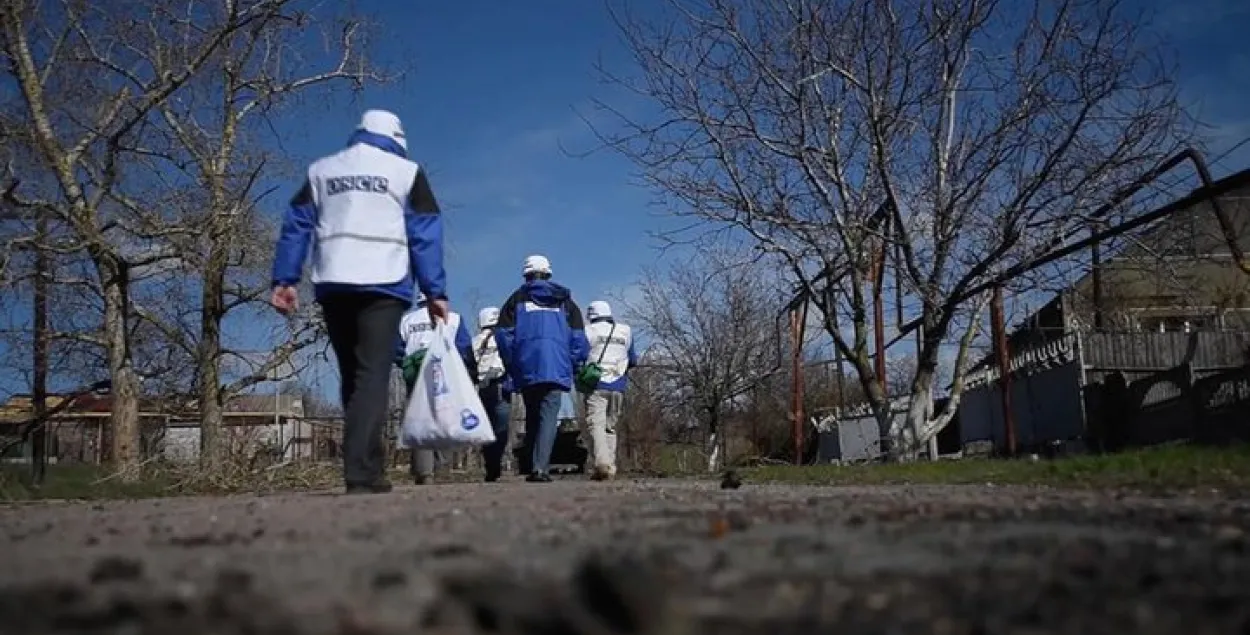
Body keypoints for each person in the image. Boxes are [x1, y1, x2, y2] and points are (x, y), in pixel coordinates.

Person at [270, 109, 449, 495]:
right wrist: (435, 292)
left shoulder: (322, 170)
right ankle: (361, 472)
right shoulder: (407, 173)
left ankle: (367, 467)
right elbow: (425, 232)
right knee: (372, 374)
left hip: (334, 281)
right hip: (385, 280)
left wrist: (285, 278)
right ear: (397, 139)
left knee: (352, 374)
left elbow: (296, 223)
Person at [494, 255, 589, 483]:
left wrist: (512, 362)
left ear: (526, 275)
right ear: (548, 273)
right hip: (557, 365)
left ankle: (532, 465)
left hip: (527, 364)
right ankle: (540, 468)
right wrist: (573, 363)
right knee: (549, 417)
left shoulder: (515, 300)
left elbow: (503, 335)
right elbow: (578, 338)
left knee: (532, 414)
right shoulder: (566, 302)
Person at [395, 292, 478, 484]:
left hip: (416, 373)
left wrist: (406, 363)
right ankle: (441, 466)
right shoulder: (454, 318)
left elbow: (396, 349)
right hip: (445, 371)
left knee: (419, 419)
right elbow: (464, 348)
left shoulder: (406, 320)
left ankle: (424, 472)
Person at [579, 300, 638, 481]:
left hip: (596, 384)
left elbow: (579, 355)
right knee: (610, 427)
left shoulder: (588, 331)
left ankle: (602, 463)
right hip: (618, 385)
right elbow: (633, 359)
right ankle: (610, 467)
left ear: (591, 315)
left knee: (595, 425)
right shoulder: (625, 331)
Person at [473, 307, 513, 482]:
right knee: (501, 429)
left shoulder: (474, 342)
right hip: (501, 386)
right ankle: (496, 461)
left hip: (481, 389)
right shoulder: (505, 339)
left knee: (486, 428)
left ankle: (490, 464)